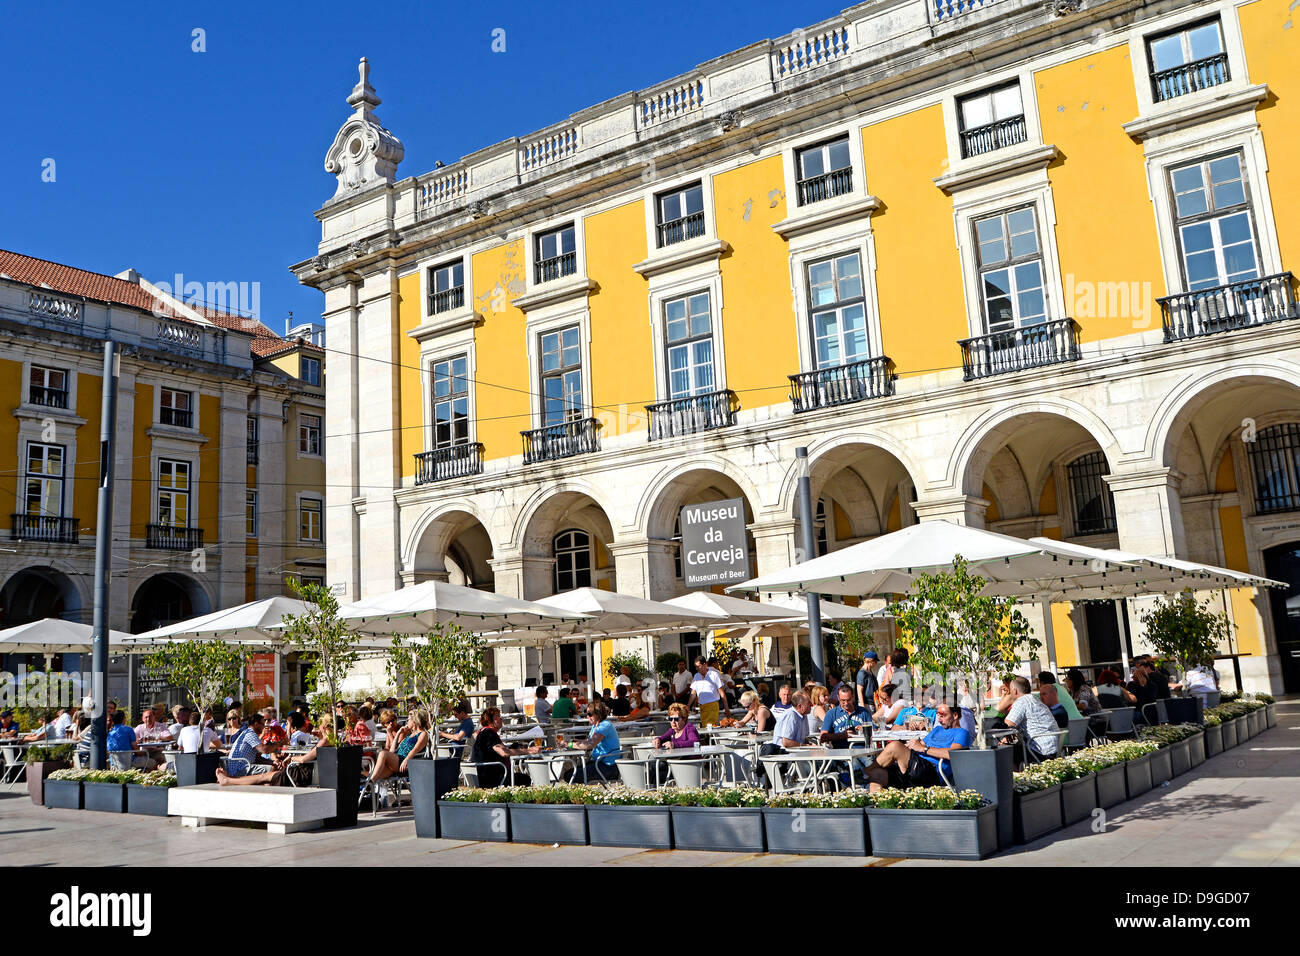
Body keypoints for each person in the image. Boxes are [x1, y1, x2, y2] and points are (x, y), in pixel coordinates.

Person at [865, 701, 969, 792]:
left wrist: (923, 749)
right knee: (877, 774)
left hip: (932, 771)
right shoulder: (937, 729)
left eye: (943, 716)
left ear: (955, 715)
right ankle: (879, 808)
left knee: (895, 746)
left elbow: (953, 754)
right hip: (915, 766)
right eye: (938, 715)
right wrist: (911, 745)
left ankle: (865, 772)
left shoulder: (962, 733)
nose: (940, 720)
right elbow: (920, 744)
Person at [471, 707, 541, 788]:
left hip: (481, 776)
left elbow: (496, 749)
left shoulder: (482, 732)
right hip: (491, 778)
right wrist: (529, 751)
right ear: (490, 721)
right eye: (497, 716)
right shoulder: (489, 733)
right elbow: (504, 752)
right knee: (525, 779)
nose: (501, 719)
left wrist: (514, 748)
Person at [216, 712, 288, 786]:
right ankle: (268, 793)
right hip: (239, 768)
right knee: (271, 770)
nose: (264, 727)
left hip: (241, 766)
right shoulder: (250, 734)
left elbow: (257, 757)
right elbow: (264, 750)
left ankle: (265, 792)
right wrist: (279, 744)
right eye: (262, 724)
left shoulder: (249, 733)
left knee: (272, 768)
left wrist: (272, 762)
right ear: (256, 724)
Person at [560, 701, 620, 782]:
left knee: (570, 775)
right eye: (586, 714)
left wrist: (569, 744)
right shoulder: (596, 726)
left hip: (608, 767)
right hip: (599, 763)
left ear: (598, 714)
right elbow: (589, 741)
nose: (587, 716)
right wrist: (575, 742)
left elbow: (590, 744)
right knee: (570, 772)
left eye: (590, 714)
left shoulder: (604, 725)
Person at [367, 710, 429, 788]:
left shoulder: (423, 734)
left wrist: (406, 760)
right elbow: (392, 750)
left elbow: (415, 750)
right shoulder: (409, 735)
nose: (407, 722)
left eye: (408, 720)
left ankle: (371, 782)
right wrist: (398, 733)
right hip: (397, 762)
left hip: (407, 763)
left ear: (414, 721)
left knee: (382, 753)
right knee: (376, 775)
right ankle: (370, 786)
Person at [1003, 677, 1061, 759]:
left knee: (1005, 750)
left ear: (1015, 691)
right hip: (1054, 747)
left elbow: (1008, 724)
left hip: (1039, 749)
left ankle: (1016, 772)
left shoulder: (1022, 701)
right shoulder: (1035, 699)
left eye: (1010, 690)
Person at [687, 657, 726, 726]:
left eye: (699, 666)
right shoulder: (696, 676)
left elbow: (722, 693)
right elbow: (693, 693)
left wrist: (727, 708)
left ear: (705, 664)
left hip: (712, 706)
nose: (697, 669)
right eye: (696, 667)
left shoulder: (714, 675)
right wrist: (688, 706)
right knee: (705, 729)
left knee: (710, 728)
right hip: (702, 707)